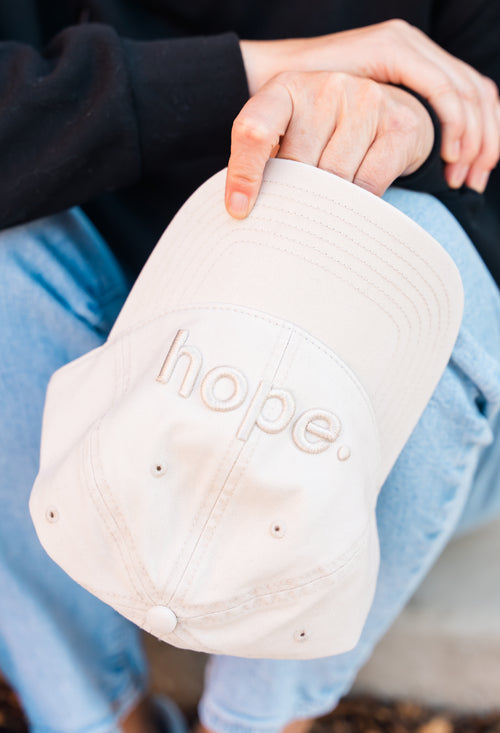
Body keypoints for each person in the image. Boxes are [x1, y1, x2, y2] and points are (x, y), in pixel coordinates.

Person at [0, 2, 499, 733]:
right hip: (121, 351)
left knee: (417, 255)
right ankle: (94, 716)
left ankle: (255, 723)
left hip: (404, 417)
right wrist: (249, 72)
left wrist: (421, 127)